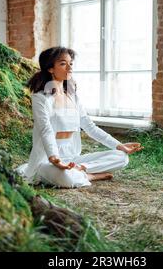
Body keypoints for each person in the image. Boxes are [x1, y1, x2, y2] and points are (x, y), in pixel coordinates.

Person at [16, 46, 143, 188]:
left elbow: (90, 127)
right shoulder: (40, 98)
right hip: (47, 160)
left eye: (71, 63)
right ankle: (89, 175)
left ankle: (81, 169)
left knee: (121, 157)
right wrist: (54, 158)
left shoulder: (73, 97)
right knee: (66, 178)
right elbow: (46, 130)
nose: (69, 68)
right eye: (63, 64)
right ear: (50, 68)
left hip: (73, 158)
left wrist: (119, 146)